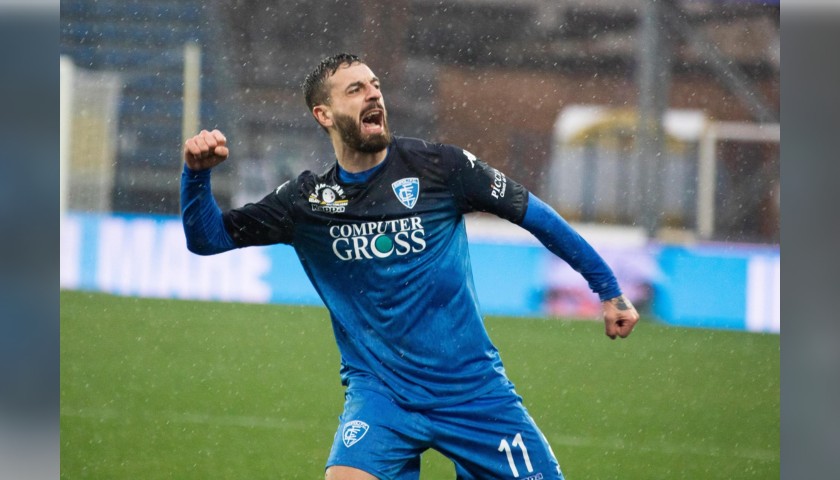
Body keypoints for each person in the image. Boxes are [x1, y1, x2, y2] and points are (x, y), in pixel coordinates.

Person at [181, 53, 639, 480]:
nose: (374, 94)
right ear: (323, 114)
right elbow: (208, 239)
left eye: (375, 86)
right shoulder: (307, 203)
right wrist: (196, 175)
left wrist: (608, 288)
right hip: (382, 397)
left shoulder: (442, 168)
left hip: (473, 395)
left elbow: (537, 216)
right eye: (355, 89)